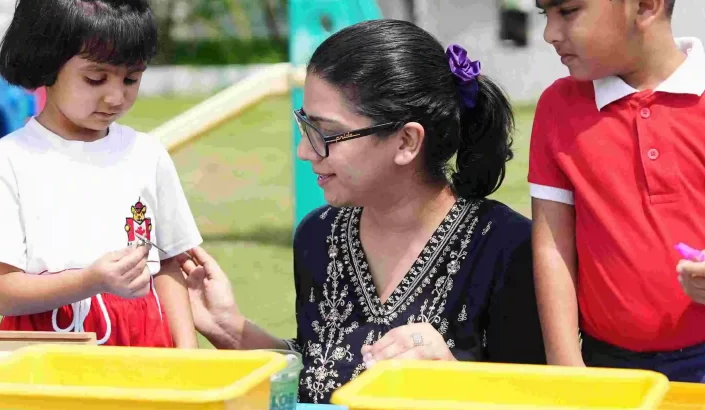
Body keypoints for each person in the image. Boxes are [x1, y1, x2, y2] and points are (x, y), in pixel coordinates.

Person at [180, 19, 547, 404]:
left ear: (406, 141)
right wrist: (230, 328)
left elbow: (542, 398)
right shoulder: (319, 236)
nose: (304, 151)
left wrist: (452, 376)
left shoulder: (510, 250)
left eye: (325, 133)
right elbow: (320, 368)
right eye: (305, 125)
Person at [529, 1, 705, 409]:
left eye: (569, 11)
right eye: (545, 14)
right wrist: (567, 367)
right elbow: (551, 248)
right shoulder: (558, 108)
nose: (549, 34)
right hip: (610, 370)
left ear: (645, 6)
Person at [0, 0, 202, 348]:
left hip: (143, 344)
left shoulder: (149, 155)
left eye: (131, 78)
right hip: (45, 350)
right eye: (96, 78)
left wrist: (188, 354)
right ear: (47, 63)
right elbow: (1, 293)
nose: (115, 97)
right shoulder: (10, 159)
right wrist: (89, 282)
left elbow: (169, 265)